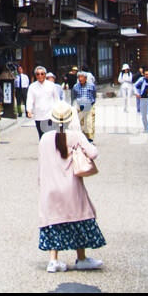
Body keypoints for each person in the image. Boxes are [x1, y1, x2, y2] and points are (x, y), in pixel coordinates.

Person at [37, 100, 105, 273]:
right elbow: (93, 153)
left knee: (55, 222)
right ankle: (81, 258)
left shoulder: (45, 138)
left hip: (50, 188)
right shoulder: (75, 136)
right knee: (78, 219)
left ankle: (53, 260)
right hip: (71, 187)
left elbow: (41, 165)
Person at [27, 66, 59, 138]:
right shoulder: (32, 86)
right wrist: (29, 110)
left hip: (50, 114)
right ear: (36, 75)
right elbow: (30, 99)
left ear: (45, 75)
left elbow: (56, 99)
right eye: (38, 74)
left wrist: (58, 110)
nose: (40, 76)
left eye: (42, 74)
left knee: (50, 135)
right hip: (38, 115)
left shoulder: (51, 85)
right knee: (42, 136)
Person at [73, 71, 97, 141]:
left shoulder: (91, 85)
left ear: (86, 78)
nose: (80, 79)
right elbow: (74, 96)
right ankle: (84, 138)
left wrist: (92, 103)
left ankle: (90, 138)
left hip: (90, 105)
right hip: (80, 106)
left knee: (89, 122)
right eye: (79, 77)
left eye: (82, 77)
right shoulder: (76, 86)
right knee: (82, 123)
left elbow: (94, 94)